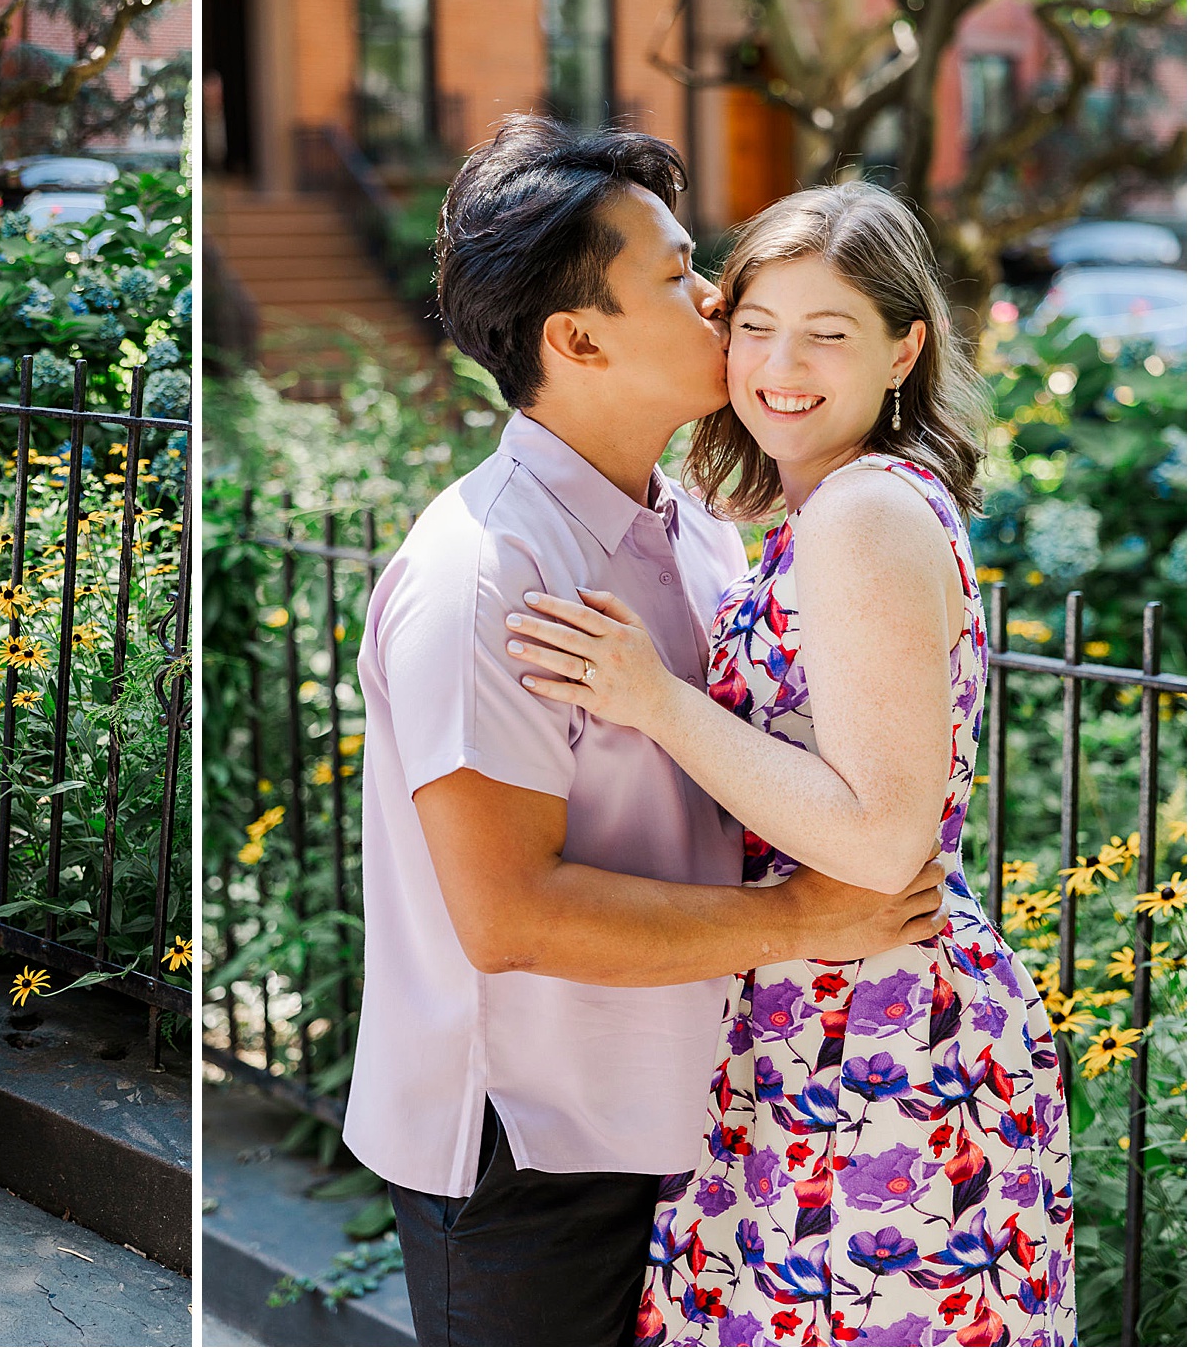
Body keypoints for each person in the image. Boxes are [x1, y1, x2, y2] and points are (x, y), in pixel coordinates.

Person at [342, 116, 952, 1345]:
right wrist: (794, 924)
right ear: (574, 338)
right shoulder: (486, 572)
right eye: (674, 276)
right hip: (535, 1150)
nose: (715, 294)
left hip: (705, 1123)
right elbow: (508, 915)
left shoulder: (691, 526)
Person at [505, 181, 1073, 1344]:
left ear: (904, 348)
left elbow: (878, 839)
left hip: (880, 1041)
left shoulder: (859, 511)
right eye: (753, 324)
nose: (780, 363)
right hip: (816, 1013)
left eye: (829, 334)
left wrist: (652, 701)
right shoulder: (823, 506)